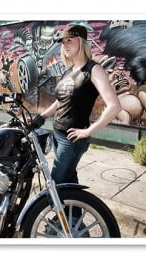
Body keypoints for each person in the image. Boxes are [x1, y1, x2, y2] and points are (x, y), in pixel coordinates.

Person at [31, 24, 122, 185]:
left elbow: (114, 106)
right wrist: (43, 116)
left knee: (56, 185)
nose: (65, 45)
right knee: (69, 182)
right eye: (63, 42)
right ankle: (77, 210)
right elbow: (61, 100)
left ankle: (67, 209)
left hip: (72, 141)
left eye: (69, 40)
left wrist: (88, 131)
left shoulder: (93, 69)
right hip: (58, 134)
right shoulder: (69, 70)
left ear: (81, 42)